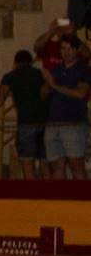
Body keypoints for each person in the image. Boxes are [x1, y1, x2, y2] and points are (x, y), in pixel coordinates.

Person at [0, 49, 48, 179]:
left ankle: (32, 196)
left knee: (28, 167)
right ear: (30, 62)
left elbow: (0, 97)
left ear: (15, 63)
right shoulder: (39, 74)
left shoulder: (11, 76)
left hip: (26, 125)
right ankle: (51, 197)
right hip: (44, 125)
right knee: (45, 166)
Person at [42, 37, 89, 179]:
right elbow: (43, 95)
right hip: (53, 123)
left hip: (73, 125)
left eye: (69, 49)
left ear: (76, 50)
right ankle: (60, 200)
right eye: (63, 49)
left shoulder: (83, 69)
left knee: (77, 166)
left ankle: (82, 199)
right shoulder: (56, 69)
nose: (66, 52)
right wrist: (47, 83)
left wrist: (55, 85)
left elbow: (80, 94)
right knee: (56, 167)